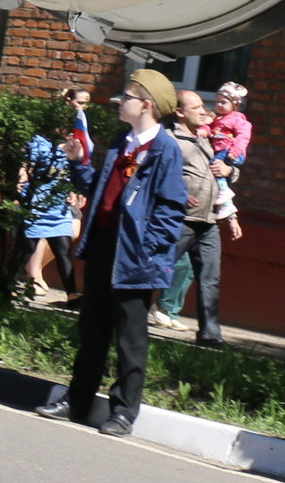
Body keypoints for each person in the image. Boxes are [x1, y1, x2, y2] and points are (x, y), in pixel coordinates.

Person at [40, 69, 189, 436]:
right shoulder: (124, 141)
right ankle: (77, 400)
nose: (120, 101)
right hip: (106, 247)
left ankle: (123, 412)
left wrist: (149, 249)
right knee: (92, 330)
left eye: (127, 96)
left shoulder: (164, 149)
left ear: (146, 105)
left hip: (136, 256)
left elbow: (172, 208)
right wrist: (79, 164)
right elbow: (100, 187)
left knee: (130, 338)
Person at [159, 89, 234, 343]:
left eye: (204, 106)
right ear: (180, 113)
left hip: (209, 221)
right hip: (182, 220)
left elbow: (222, 174)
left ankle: (210, 334)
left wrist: (229, 170)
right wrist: (177, 193)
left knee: (210, 278)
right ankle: (127, 316)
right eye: (196, 108)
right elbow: (158, 175)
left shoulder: (206, 139)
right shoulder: (169, 140)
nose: (204, 111)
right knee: (155, 268)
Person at [17, 127, 78, 302]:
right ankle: (7, 286)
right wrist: (20, 189)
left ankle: (72, 295)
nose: (68, 133)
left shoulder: (70, 147)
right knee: (26, 249)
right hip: (37, 205)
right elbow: (25, 167)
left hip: (58, 209)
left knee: (63, 251)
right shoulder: (39, 143)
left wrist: (73, 191)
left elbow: (71, 174)